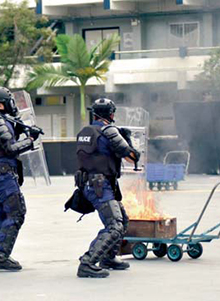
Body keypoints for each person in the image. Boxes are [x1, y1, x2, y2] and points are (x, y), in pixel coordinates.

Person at [74, 98, 140, 278]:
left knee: (123, 219)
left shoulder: (85, 132)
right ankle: (88, 262)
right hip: (101, 185)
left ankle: (107, 258)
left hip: (89, 183)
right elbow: (132, 157)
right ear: (111, 114)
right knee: (115, 225)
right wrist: (127, 139)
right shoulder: (109, 131)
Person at [0, 86, 39, 271]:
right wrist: (30, 139)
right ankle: (1, 255)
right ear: (0, 104)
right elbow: (10, 148)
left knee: (4, 214)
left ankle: (0, 252)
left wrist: (18, 128)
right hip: (3, 174)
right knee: (16, 212)